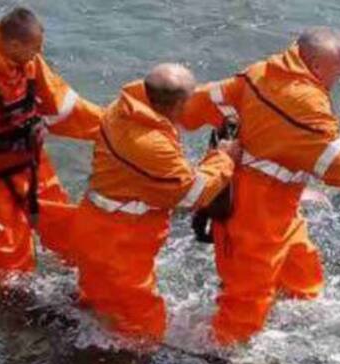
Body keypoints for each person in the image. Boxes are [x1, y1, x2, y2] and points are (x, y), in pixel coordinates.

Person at [177, 28, 340, 346]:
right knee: (247, 298)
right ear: (315, 66)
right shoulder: (304, 103)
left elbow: (202, 103)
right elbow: (336, 159)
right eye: (337, 65)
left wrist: (168, 108)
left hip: (278, 205)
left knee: (301, 268)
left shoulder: (260, 73)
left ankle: (297, 318)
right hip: (253, 211)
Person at [71, 64, 237, 342]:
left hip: (94, 221)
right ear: (178, 104)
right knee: (142, 327)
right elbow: (191, 196)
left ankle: (93, 345)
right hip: (121, 240)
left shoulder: (121, 108)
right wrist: (223, 158)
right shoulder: (150, 143)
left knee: (99, 302)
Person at [0, 8, 102, 281]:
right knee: (8, 267)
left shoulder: (29, 62)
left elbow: (64, 107)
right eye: (35, 48)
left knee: (69, 233)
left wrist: (113, 128)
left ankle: (85, 287)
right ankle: (7, 316)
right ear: (14, 45)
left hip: (33, 167)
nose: (39, 54)